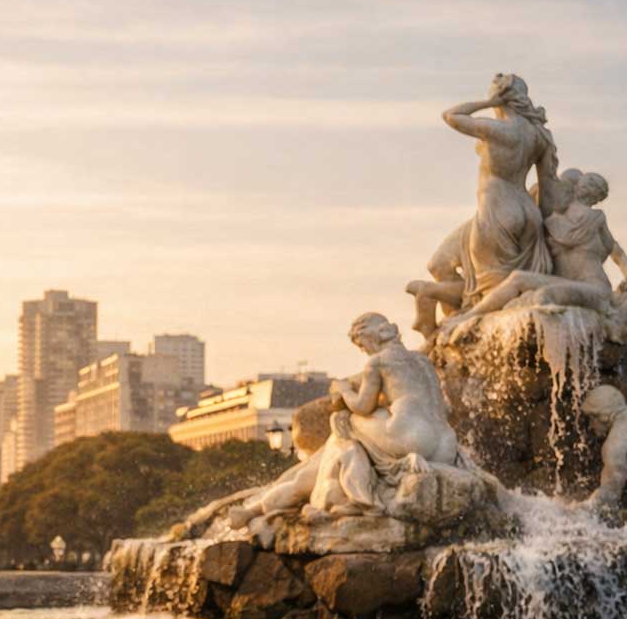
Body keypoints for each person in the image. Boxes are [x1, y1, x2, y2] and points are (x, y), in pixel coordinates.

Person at [229, 313, 459, 527]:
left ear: (371, 337)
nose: (364, 351)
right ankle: (259, 506)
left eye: (362, 345)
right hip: (445, 444)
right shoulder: (422, 360)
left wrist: (344, 390)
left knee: (343, 419)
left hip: (409, 439)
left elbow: (362, 405)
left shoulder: (377, 361)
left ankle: (358, 495)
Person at [439, 171, 627, 336]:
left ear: (595, 196)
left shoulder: (596, 219)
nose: (585, 187)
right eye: (585, 183)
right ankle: (469, 316)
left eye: (591, 186)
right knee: (518, 278)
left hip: (594, 288)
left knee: (544, 296)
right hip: (567, 283)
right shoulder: (552, 220)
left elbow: (618, 255)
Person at [442, 74, 557, 305]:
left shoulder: (497, 129)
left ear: (500, 98)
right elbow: (548, 186)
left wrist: (489, 103)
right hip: (528, 213)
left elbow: (451, 115)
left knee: (496, 296)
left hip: (497, 208)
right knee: (519, 292)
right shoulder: (540, 136)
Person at [581, 384, 627, 510]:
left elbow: (610, 494)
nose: (590, 426)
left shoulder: (615, 444)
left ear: (604, 416)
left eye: (592, 419)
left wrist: (579, 511)